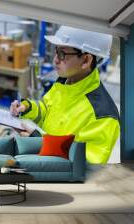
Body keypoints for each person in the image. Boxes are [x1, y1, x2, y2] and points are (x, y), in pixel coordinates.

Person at [10, 26, 120, 164]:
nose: (55, 59)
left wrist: (40, 142)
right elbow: (47, 109)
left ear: (86, 60)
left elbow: (87, 165)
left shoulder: (102, 114)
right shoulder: (65, 81)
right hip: (43, 162)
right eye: (56, 51)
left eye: (62, 54)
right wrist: (27, 108)